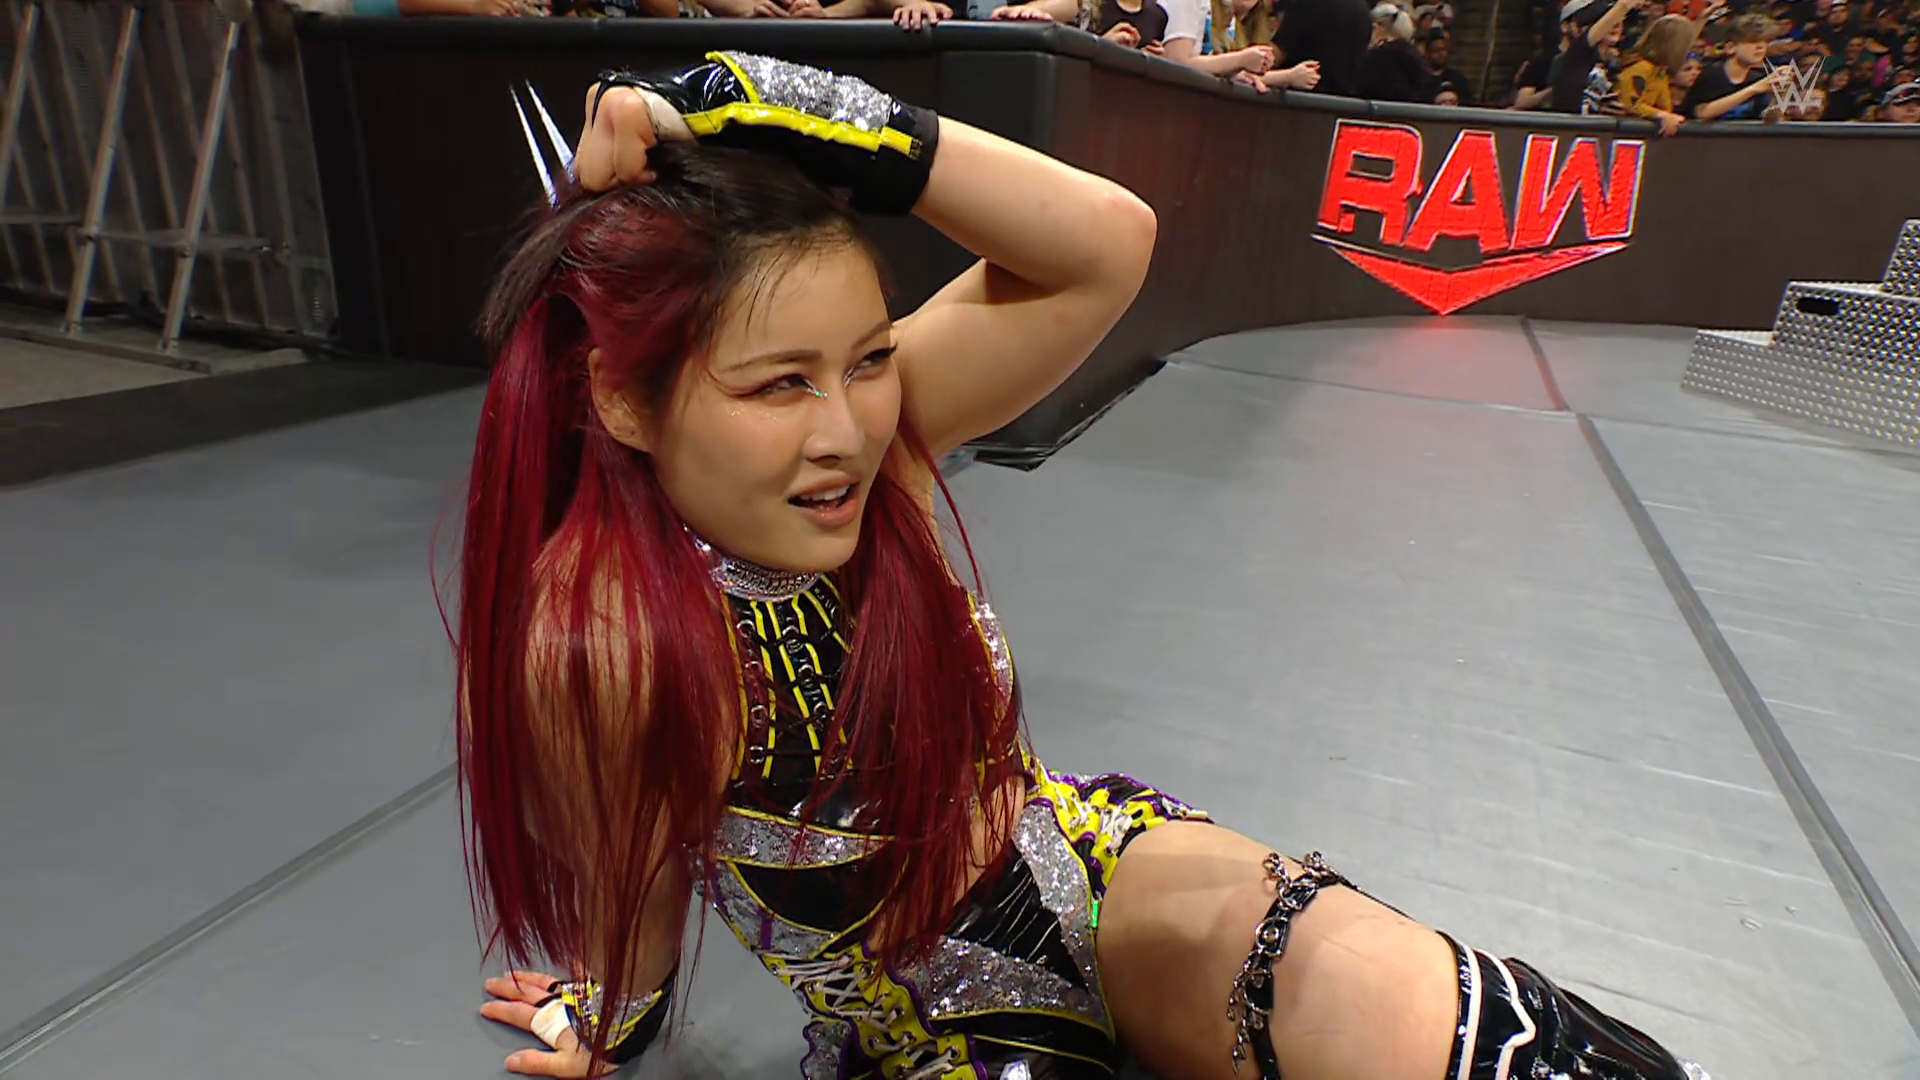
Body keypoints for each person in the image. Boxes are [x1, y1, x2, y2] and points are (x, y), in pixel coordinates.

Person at [456, 51, 1720, 1080]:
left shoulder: (874, 455)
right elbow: (632, 871)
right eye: (779, 382)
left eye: (871, 357)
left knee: (1526, 1051)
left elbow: (1106, 241)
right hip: (932, 1029)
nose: (846, 428)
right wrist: (613, 1020)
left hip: (1086, 868)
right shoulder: (603, 638)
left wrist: (766, 99)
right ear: (622, 398)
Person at [1682, 12, 1795, 118]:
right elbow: (1702, 113)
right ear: (1730, 48)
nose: (1760, 46)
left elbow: (1769, 119)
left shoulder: (1761, 77)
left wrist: (1782, 95)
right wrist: (1754, 89)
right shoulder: (1709, 75)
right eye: (1752, 41)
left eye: (1765, 42)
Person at [1616, 12, 1705, 132]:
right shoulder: (1641, 67)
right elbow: (1630, 105)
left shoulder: (1661, 70)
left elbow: (1664, 107)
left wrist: (1669, 117)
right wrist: (1661, 115)